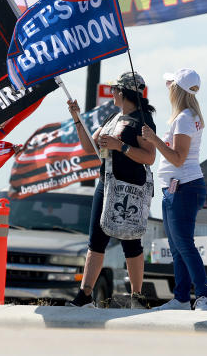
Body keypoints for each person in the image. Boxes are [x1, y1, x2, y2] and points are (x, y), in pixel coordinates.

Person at [66, 71, 156, 309]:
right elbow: (89, 146)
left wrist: (121, 146)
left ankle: (138, 296)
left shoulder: (143, 119)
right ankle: (85, 295)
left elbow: (149, 157)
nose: (112, 93)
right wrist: (77, 117)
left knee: (131, 241)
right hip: (106, 184)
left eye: (115, 89)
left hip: (131, 188)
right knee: (96, 241)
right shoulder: (113, 118)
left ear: (123, 92)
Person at [138, 68, 207, 312]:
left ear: (177, 90)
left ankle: (203, 295)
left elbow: (179, 158)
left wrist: (154, 139)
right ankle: (181, 297)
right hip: (179, 187)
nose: (167, 87)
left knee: (183, 243)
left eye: (170, 83)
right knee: (177, 244)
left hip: (183, 186)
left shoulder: (183, 118)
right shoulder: (189, 115)